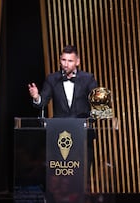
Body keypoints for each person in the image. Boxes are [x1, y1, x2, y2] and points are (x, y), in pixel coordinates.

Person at [28, 45, 97, 194]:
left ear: (77, 61)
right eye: (63, 60)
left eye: (70, 61)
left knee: (82, 177)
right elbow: (43, 101)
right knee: (61, 177)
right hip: (60, 137)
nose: (66, 64)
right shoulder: (52, 79)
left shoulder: (88, 78)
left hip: (83, 136)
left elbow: (97, 103)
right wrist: (36, 97)